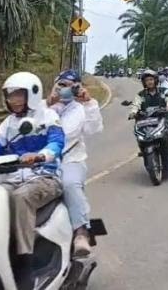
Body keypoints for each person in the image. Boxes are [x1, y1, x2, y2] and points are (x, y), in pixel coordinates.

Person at [0, 71, 65, 289]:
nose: (14, 100)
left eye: (19, 95)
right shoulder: (8, 123)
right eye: (11, 96)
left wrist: (41, 155)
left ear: (32, 94)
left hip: (44, 176)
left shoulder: (48, 117)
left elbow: (57, 143)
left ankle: (24, 265)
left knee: (21, 198)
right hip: (12, 178)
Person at [46, 69, 103, 257]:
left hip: (71, 160)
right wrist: (48, 103)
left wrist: (89, 102)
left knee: (70, 184)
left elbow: (94, 129)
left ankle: (81, 232)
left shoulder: (81, 109)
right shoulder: (40, 107)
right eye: (61, 85)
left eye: (72, 87)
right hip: (40, 163)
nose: (65, 90)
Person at [129, 69, 168, 152]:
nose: (149, 82)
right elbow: (136, 104)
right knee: (138, 127)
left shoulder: (163, 91)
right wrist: (133, 112)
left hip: (163, 116)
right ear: (144, 82)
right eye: (147, 80)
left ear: (155, 80)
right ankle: (142, 146)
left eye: (151, 79)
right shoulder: (141, 94)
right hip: (147, 119)